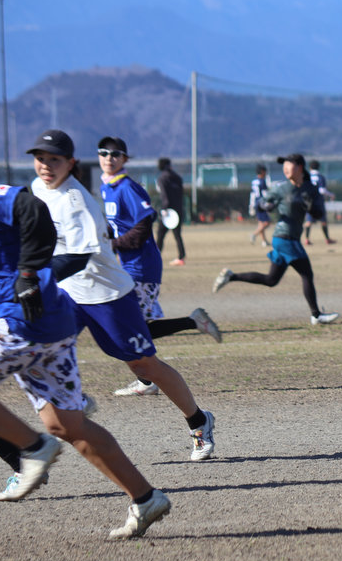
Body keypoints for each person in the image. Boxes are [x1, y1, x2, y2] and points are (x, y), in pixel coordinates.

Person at [0, 153, 170, 538]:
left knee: (53, 433)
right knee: (67, 425)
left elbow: (31, 207)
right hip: (56, 323)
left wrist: (29, 272)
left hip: (26, 322)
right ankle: (145, 497)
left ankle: (31, 449)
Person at [24, 129, 216, 462]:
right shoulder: (38, 187)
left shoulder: (76, 201)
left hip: (107, 294)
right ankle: (75, 400)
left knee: (144, 365)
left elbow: (78, 258)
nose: (45, 165)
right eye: (40, 158)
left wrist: (33, 277)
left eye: (54, 159)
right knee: (39, 348)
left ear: (70, 163)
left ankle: (199, 420)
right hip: (69, 293)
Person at [97, 136, 222, 398]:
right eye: (104, 152)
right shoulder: (107, 187)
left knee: (129, 330)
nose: (109, 158)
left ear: (125, 158)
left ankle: (149, 378)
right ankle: (190, 325)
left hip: (142, 268)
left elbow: (143, 227)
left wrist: (113, 245)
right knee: (132, 329)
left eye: (115, 153)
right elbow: (117, 225)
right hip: (127, 267)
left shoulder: (127, 188)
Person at [213, 153, 339, 326]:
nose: (285, 168)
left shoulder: (310, 189)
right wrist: (267, 206)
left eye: (289, 164)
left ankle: (231, 276)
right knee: (306, 274)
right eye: (284, 165)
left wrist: (311, 208)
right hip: (285, 238)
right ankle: (316, 315)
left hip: (288, 238)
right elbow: (260, 203)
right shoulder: (281, 188)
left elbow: (318, 214)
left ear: (300, 167)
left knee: (271, 280)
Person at [155, 157, 187, 265]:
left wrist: (164, 208)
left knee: (160, 234)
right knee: (177, 235)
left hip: (168, 212)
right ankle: (181, 257)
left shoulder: (162, 178)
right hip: (178, 209)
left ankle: (156, 256)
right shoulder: (177, 177)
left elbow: (164, 195)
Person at [304, 159, 336, 245]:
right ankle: (327, 239)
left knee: (309, 221)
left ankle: (306, 239)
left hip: (309, 201)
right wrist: (331, 195)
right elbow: (322, 190)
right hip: (318, 201)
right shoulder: (321, 177)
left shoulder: (306, 176)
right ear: (319, 167)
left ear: (310, 167)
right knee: (323, 221)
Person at [249, 164, 272, 247]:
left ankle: (264, 241)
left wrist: (251, 205)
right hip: (261, 203)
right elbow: (265, 193)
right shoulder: (262, 181)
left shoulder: (253, 181)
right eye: (265, 172)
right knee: (267, 222)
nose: (265, 173)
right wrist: (268, 203)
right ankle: (254, 234)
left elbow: (252, 194)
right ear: (262, 172)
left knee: (261, 223)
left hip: (256, 203)